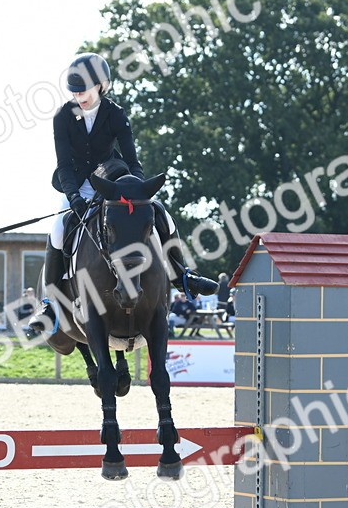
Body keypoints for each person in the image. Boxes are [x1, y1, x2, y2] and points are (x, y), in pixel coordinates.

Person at [26, 53, 218, 337]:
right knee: (57, 229)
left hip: (113, 184)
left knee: (160, 212)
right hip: (76, 186)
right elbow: (64, 164)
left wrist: (136, 190)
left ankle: (181, 275)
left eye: (84, 90)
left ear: (101, 85)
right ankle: (51, 304)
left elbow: (132, 160)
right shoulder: (63, 117)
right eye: (74, 91)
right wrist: (74, 197)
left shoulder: (115, 114)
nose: (79, 95)